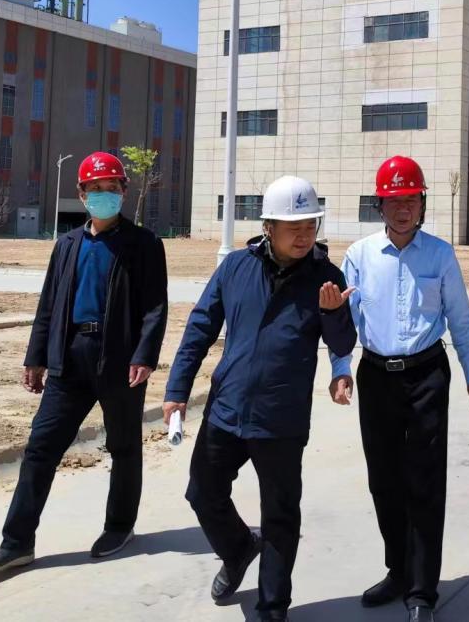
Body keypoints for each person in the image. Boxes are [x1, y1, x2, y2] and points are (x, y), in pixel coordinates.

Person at [162, 176, 356, 622]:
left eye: (310, 225)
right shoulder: (235, 267)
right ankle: (237, 549)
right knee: (203, 492)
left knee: (280, 516)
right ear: (268, 227)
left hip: (281, 417)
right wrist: (177, 390)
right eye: (294, 227)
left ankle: (272, 607)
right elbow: (200, 328)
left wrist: (334, 314)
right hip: (227, 408)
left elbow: (343, 343)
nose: (304, 235)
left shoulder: (327, 277)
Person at [0, 152, 168, 571]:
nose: (104, 195)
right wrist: (36, 357)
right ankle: (17, 542)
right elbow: (49, 304)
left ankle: (119, 526)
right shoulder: (67, 245)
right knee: (41, 447)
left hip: (119, 360)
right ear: (81, 194)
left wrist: (145, 355)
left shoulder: (144, 244)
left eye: (111, 188)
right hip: (69, 358)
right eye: (95, 189)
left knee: (123, 447)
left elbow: (156, 307)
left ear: (124, 191)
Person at [334, 155, 469, 622]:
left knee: (423, 482)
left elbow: (459, 318)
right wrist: (341, 368)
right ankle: (398, 571)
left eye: (411, 200)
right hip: (376, 376)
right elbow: (344, 321)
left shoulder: (440, 255)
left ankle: (422, 590)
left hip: (426, 375)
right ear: (379, 205)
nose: (403, 209)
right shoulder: (359, 256)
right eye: (393, 201)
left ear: (422, 203)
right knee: (383, 481)